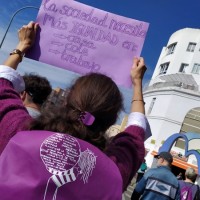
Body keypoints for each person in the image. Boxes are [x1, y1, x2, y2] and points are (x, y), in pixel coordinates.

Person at [0, 21, 151, 199]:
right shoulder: (114, 170)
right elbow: (136, 132)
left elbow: (3, 85)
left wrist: (22, 46)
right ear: (111, 122)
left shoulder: (19, 133)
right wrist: (137, 84)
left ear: (65, 102)